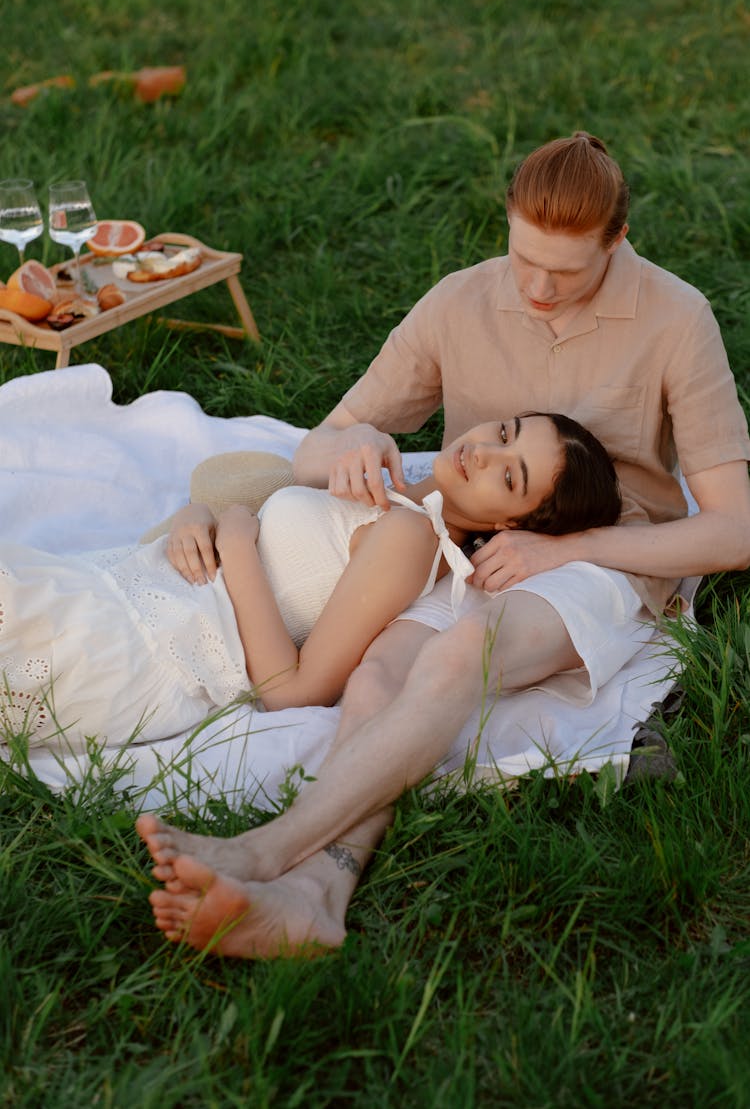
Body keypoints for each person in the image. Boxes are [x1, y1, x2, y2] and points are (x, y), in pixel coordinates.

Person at [137, 131, 750, 961]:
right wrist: (349, 448)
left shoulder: (679, 319)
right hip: (475, 534)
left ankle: (268, 850)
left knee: (465, 648)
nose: (535, 287)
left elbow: (735, 529)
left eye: (565, 271)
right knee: (379, 674)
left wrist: (572, 551)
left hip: (613, 554)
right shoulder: (460, 301)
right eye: (522, 255)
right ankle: (319, 893)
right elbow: (321, 442)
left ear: (620, 241)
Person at [0, 413, 617, 754]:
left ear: (512, 523)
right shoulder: (388, 488)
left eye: (510, 478)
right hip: (134, 585)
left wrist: (238, 548)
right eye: (504, 433)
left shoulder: (411, 537)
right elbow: (244, 520)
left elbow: (293, 693)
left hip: (152, 645)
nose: (485, 453)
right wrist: (200, 518)